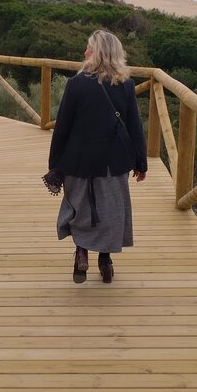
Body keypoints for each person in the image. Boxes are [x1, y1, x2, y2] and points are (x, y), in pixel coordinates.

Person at [48, 29, 147, 284]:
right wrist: (141, 162)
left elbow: (63, 127)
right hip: (114, 162)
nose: (85, 52)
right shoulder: (125, 85)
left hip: (79, 160)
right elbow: (134, 126)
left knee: (80, 207)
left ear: (98, 52)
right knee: (111, 210)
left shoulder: (76, 84)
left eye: (88, 47)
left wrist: (55, 164)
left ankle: (82, 253)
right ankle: (105, 260)